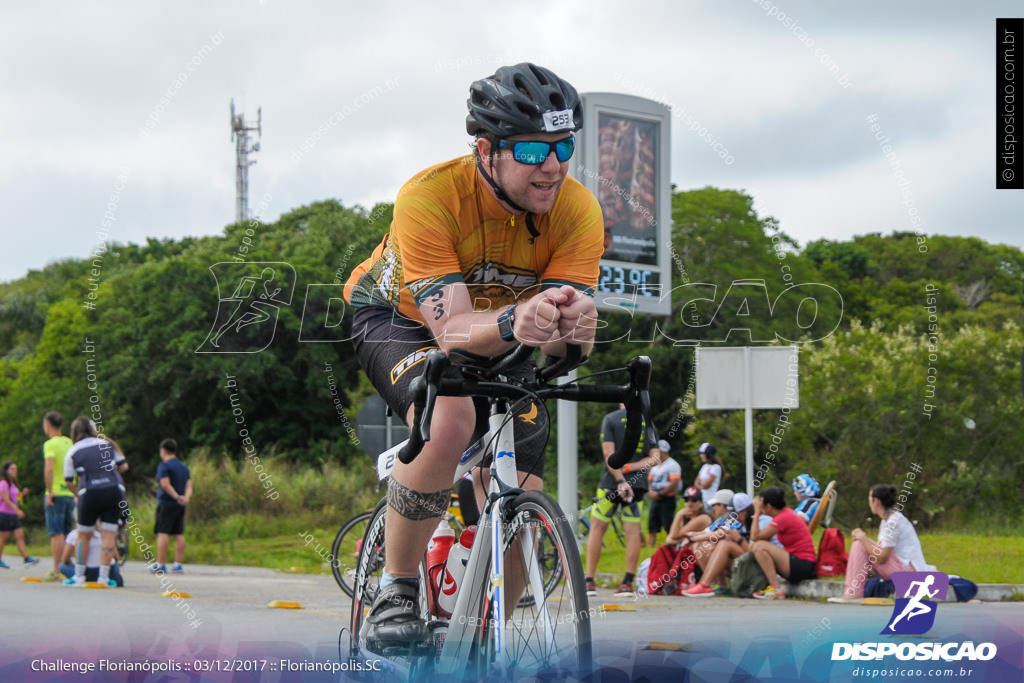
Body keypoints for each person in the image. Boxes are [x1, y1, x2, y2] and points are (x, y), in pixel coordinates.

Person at [343, 62, 602, 645]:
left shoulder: (578, 210)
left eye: (564, 146)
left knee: (522, 495)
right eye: (535, 149)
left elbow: (564, 344)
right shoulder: (430, 196)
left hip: (507, 330)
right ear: (487, 150)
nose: (554, 165)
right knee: (451, 419)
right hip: (400, 318)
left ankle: (489, 638)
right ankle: (397, 590)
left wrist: (575, 325)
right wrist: (516, 318)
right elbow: (454, 329)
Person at [585, 404, 663, 597]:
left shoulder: (611, 419)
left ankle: (589, 581)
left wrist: (620, 478)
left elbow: (608, 455)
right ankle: (628, 582)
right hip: (637, 486)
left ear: (622, 401)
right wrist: (630, 470)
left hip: (610, 483)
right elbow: (654, 459)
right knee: (633, 532)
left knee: (597, 528)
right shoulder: (649, 424)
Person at [828, 483, 936, 604]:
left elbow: (882, 558)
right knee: (861, 543)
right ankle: (852, 592)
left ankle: (853, 593)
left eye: (869, 499)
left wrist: (864, 539)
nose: (869, 502)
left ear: (876, 501)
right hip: (902, 568)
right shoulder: (887, 521)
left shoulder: (893, 522)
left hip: (910, 572)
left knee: (860, 543)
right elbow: (877, 553)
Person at [62, 418, 128, 587]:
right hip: (113, 490)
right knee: (109, 533)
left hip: (89, 492)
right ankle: (104, 578)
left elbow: (68, 480)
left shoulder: (73, 451)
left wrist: (79, 494)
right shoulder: (107, 443)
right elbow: (123, 466)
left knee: (83, 534)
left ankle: (79, 576)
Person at [749, 486, 817, 600]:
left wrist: (756, 513)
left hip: (802, 565)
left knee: (759, 546)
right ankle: (773, 587)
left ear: (769, 507)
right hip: (796, 562)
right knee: (758, 545)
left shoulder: (783, 518)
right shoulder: (784, 514)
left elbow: (754, 537)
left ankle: (776, 589)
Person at [682, 492, 754, 597]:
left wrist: (692, 538)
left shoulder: (757, 521)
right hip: (743, 561)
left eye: (715, 505)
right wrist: (693, 537)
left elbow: (719, 534)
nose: (733, 517)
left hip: (754, 564)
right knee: (708, 544)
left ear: (743, 512)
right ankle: (714, 585)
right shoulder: (730, 520)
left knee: (722, 544)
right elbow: (708, 533)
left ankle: (707, 584)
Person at [42, 411, 76, 580]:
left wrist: (49, 491)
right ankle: (68, 565)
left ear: (47, 425)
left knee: (56, 533)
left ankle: (58, 568)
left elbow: (49, 468)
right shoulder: (70, 442)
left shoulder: (50, 444)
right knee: (67, 532)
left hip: (56, 492)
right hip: (70, 492)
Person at [152, 438, 191, 574]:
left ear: (163, 450)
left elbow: (165, 484)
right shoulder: (183, 466)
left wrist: (176, 497)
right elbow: (189, 485)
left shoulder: (164, 466)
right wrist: (185, 497)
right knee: (178, 533)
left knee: (163, 532)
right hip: (181, 504)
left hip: (167, 502)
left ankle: (161, 564)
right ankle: (178, 564)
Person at [0, 462, 40, 568]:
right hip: (5, 514)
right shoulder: (4, 483)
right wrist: (17, 510)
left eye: (15, 469)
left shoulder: (13, 484)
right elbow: (6, 499)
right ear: (6, 471)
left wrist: (22, 494)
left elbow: (15, 500)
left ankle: (26, 558)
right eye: (12, 469)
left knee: (19, 536)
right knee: (3, 538)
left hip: (13, 514)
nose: (14, 471)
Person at [645, 440, 681, 546]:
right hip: (655, 499)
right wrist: (651, 491)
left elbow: (674, 483)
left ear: (661, 451)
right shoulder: (655, 465)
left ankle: (671, 546)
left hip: (667, 499)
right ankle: (649, 548)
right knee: (652, 526)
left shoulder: (673, 465)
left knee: (668, 525)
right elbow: (649, 480)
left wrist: (660, 493)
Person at [59, 528, 124, 587]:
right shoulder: (104, 534)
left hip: (87, 572)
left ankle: (79, 576)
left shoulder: (75, 534)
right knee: (115, 565)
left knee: (62, 566)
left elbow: (65, 559)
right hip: (107, 569)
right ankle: (109, 577)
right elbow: (116, 557)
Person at [694, 442, 725, 511]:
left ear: (708, 454)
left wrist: (700, 484)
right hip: (701, 500)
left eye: (702, 453)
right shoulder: (704, 466)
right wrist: (702, 485)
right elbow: (696, 482)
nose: (700, 455)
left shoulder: (716, 467)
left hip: (710, 501)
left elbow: (707, 484)